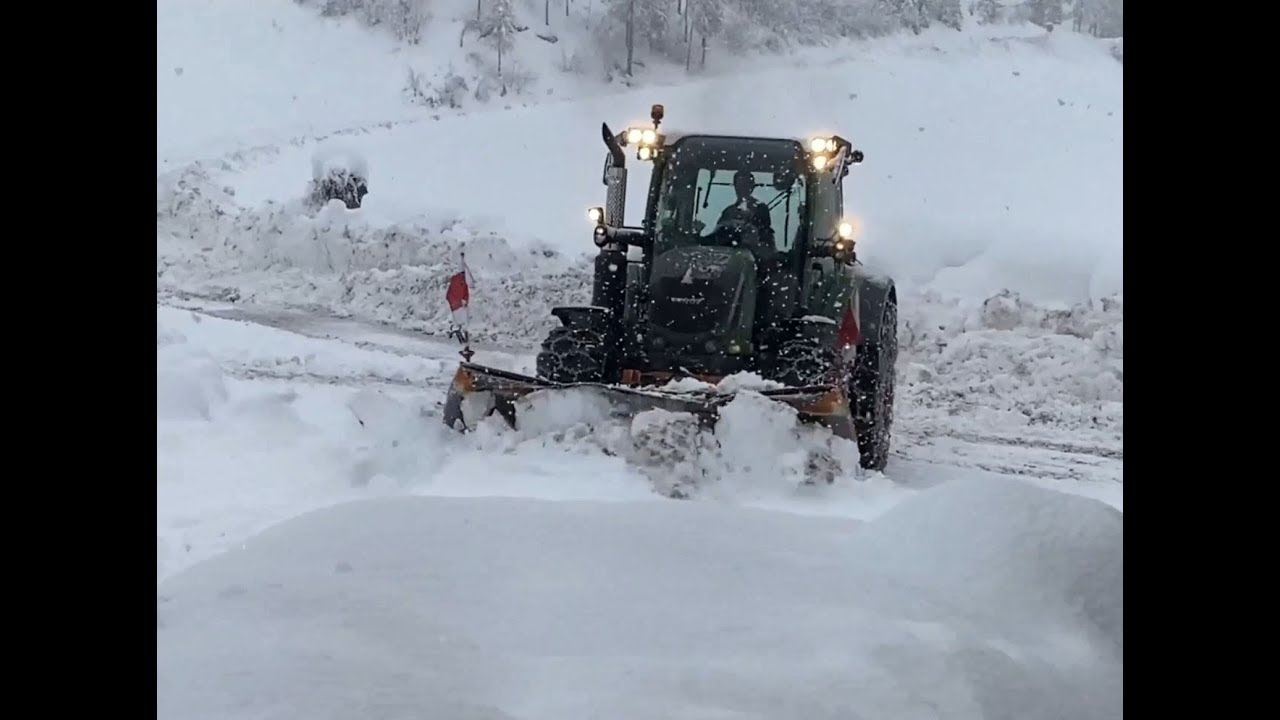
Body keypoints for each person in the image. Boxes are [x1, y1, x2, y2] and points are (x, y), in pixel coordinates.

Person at [715, 169, 774, 247]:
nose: (742, 189)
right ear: (735, 186)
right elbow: (718, 235)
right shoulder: (728, 212)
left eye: (746, 185)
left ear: (752, 187)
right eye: (740, 185)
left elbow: (765, 237)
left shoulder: (761, 209)